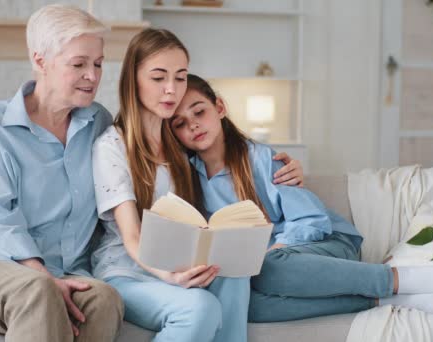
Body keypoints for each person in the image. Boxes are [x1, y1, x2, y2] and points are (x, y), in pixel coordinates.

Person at [168, 74, 433, 322]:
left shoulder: (261, 159)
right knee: (247, 307)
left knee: (269, 267)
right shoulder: (189, 180)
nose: (193, 124)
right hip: (266, 269)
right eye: (180, 123)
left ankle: (397, 279)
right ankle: (376, 301)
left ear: (219, 108)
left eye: (199, 111)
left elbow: (312, 220)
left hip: (327, 245)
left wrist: (273, 250)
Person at [0, 5, 123, 342]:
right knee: (37, 291)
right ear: (40, 61)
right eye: (79, 64)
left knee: (104, 298)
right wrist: (42, 276)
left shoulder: (98, 123)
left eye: (98, 64)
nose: (93, 75)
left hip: (57, 272)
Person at [90, 28, 301, 342]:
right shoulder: (112, 146)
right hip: (127, 272)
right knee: (200, 307)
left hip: (180, 264)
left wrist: (287, 167)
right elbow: (132, 237)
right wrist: (169, 276)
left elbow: (230, 151)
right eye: (159, 78)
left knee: (234, 273)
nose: (171, 90)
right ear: (133, 80)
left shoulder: (180, 142)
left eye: (180, 77)